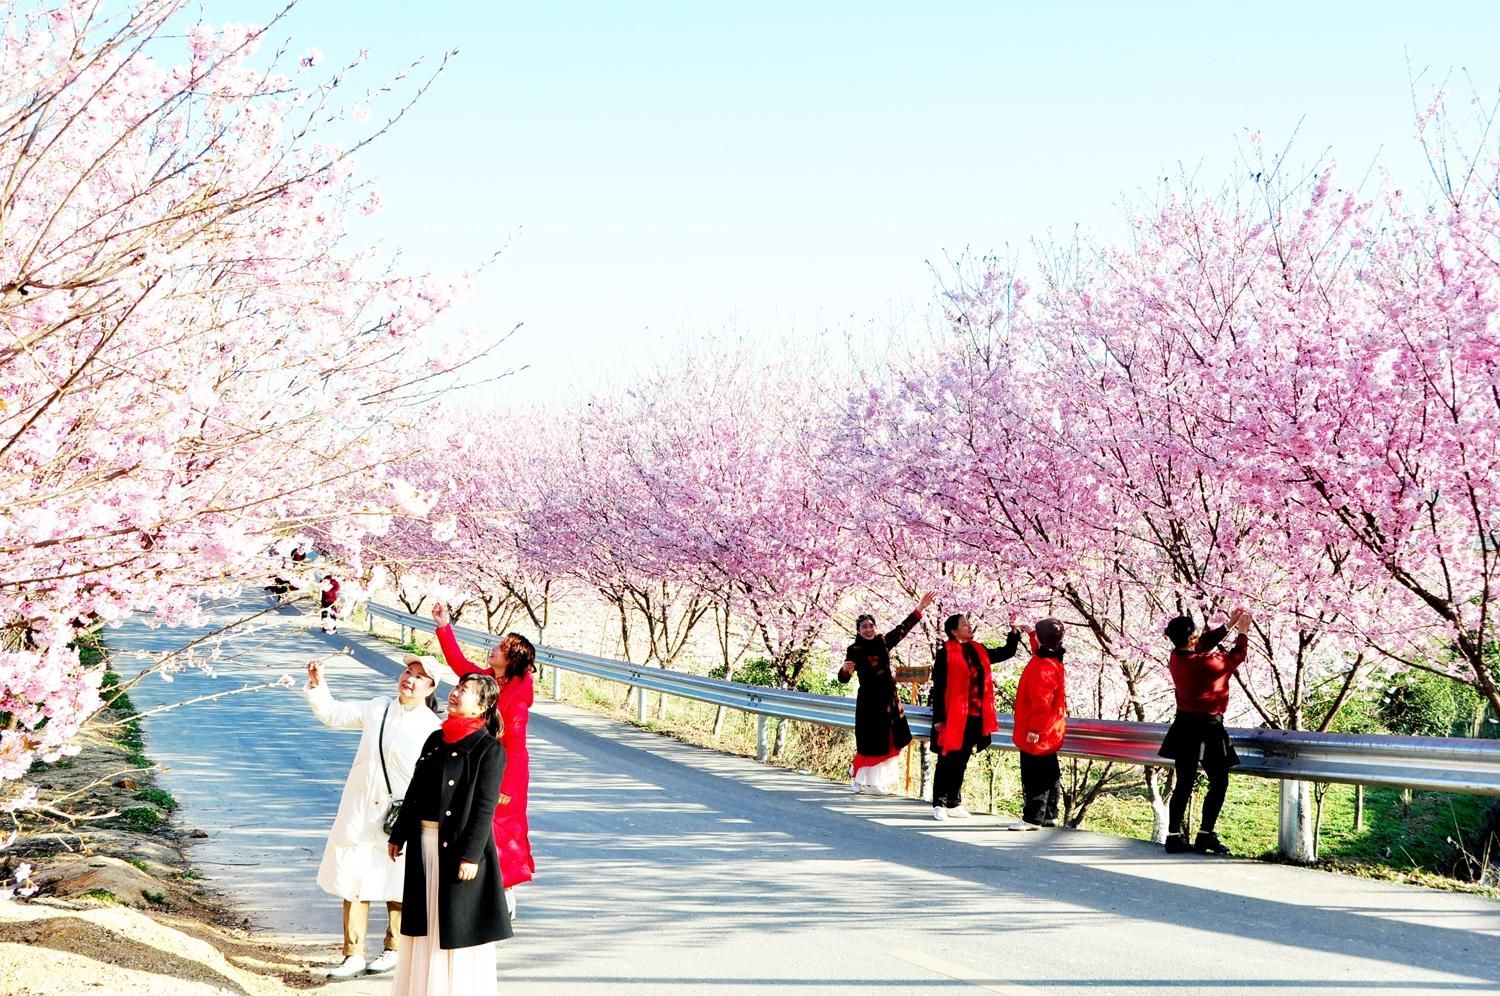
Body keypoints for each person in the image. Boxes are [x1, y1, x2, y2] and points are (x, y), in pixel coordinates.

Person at [304, 653, 445, 980]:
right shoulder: (378, 707)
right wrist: (317, 684)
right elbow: (335, 714)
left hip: (398, 815)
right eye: (407, 672)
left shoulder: (432, 728)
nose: (408, 679)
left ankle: (394, 947)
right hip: (362, 806)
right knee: (354, 878)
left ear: (430, 687)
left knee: (397, 881)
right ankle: (352, 953)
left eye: (418, 676)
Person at [387, 673, 513, 995]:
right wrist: (398, 834)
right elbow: (415, 791)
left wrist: (471, 855)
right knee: (425, 925)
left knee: (454, 926)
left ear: (482, 705)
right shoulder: (435, 738)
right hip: (424, 845)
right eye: (457, 688)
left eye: (465, 691)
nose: (455, 694)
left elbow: (485, 808)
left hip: (458, 851)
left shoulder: (489, 750)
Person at [431, 602, 536, 919]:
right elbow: (460, 664)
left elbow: (515, 743)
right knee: (474, 825)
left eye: (501, 648)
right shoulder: (490, 679)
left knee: (502, 830)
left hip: (507, 770)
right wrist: (443, 626)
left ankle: (505, 892)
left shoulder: (519, 690)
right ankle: (482, 889)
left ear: (512, 657)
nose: (493, 650)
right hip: (479, 762)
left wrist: (506, 785)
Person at [1159, 607, 1251, 855]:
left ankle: (1174, 836)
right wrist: (1242, 632)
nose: (1201, 637)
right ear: (1191, 638)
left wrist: (1228, 626)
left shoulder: (1176, 657)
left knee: (1184, 783)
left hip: (1184, 725)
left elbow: (1202, 644)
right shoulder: (1208, 663)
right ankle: (1205, 834)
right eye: (1197, 634)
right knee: (1219, 782)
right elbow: (1236, 656)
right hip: (1209, 727)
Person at [837, 592, 935, 795]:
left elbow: (902, 630)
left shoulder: (883, 642)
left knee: (889, 738)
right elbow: (844, 677)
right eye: (864, 627)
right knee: (869, 741)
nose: (868, 629)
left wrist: (920, 608)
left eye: (871, 625)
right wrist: (845, 671)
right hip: (868, 701)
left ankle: (874, 783)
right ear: (858, 630)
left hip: (889, 700)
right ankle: (857, 774)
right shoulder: (853, 648)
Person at [929, 613, 1022, 821]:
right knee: (947, 758)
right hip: (952, 715)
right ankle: (939, 803)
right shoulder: (945, 653)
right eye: (965, 625)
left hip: (974, 715)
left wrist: (1014, 633)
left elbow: (1006, 652)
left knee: (962, 759)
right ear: (954, 631)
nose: (969, 627)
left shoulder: (978, 650)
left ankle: (954, 801)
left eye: (969, 624)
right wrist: (939, 719)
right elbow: (940, 687)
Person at [1009, 618, 1068, 831]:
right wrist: (1033, 635)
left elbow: (1041, 702)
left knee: (1034, 773)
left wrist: (1034, 729)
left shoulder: (1041, 667)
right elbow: (1041, 652)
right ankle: (1050, 814)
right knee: (1050, 770)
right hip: (1052, 728)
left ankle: (1033, 817)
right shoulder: (1054, 660)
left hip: (1037, 728)